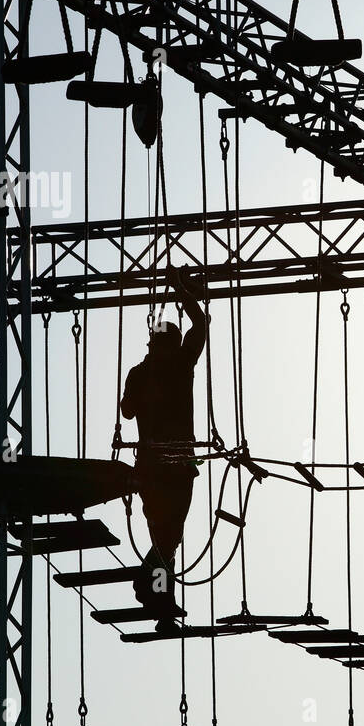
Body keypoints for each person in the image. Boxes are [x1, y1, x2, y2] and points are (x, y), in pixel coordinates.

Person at [120, 266, 207, 627]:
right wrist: (182, 291)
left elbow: (126, 412)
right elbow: (200, 324)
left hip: (153, 468)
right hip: (176, 466)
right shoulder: (180, 364)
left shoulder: (141, 373)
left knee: (165, 534)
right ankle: (151, 587)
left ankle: (160, 599)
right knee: (170, 535)